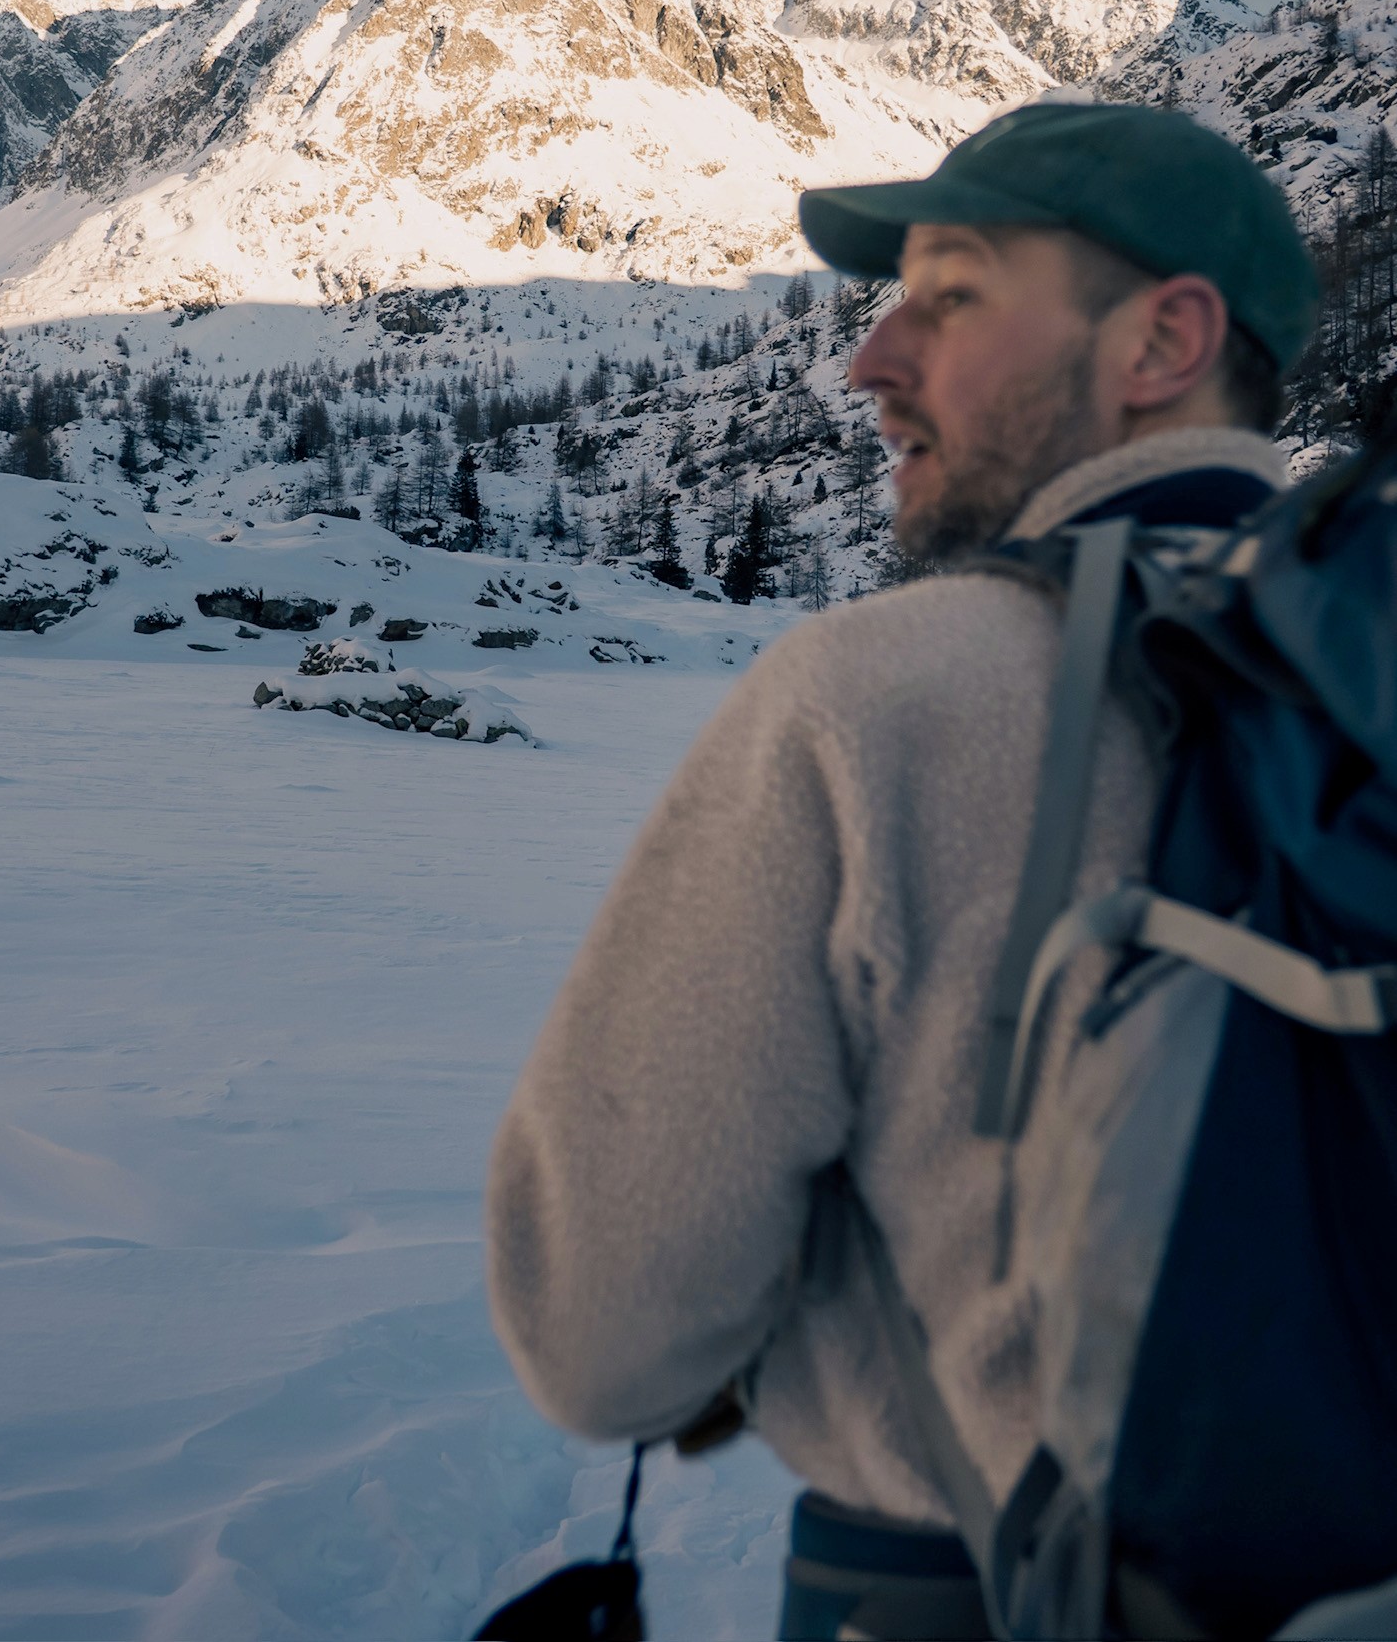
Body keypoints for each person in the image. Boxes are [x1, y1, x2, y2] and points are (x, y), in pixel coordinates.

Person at [485, 96, 1321, 1640]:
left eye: (951, 296)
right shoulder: (1373, 693)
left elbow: (602, 1334)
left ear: (1161, 343)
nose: (872, 362)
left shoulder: (884, 693)